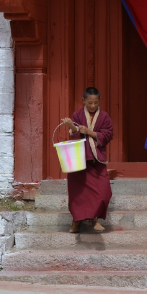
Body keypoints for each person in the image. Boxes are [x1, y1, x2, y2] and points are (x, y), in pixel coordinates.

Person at [60, 87, 114, 234]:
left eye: (95, 103)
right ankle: (76, 221)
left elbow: (108, 135)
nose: (92, 106)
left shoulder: (104, 116)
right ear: (83, 101)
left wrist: (90, 132)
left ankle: (93, 219)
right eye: (89, 102)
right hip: (79, 162)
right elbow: (74, 133)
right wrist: (70, 125)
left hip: (96, 162)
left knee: (104, 193)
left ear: (99, 101)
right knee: (78, 194)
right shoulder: (77, 115)